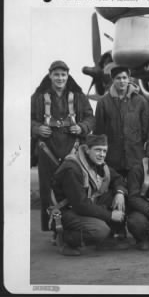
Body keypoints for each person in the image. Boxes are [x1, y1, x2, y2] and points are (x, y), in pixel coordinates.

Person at [31, 60, 95, 232]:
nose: (60, 78)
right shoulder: (38, 97)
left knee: (73, 188)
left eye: (63, 75)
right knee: (48, 189)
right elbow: (26, 119)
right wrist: (37, 128)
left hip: (72, 151)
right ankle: (53, 228)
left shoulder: (79, 97)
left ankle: (73, 227)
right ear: (50, 75)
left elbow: (90, 117)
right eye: (56, 74)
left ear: (68, 76)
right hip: (47, 150)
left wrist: (82, 127)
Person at [51, 134, 128, 256]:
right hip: (66, 212)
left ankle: (107, 238)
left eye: (104, 151)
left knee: (121, 196)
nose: (102, 154)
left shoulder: (97, 163)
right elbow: (80, 205)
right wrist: (110, 215)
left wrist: (120, 193)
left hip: (83, 205)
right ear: (87, 150)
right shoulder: (72, 168)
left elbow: (117, 178)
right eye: (98, 150)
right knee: (100, 230)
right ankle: (65, 238)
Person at [94, 65, 149, 177]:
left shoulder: (141, 102)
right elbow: (99, 132)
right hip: (112, 159)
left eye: (124, 78)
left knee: (135, 191)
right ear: (113, 80)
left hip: (136, 158)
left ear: (129, 79)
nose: (122, 81)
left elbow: (146, 130)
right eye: (118, 78)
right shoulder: (103, 103)